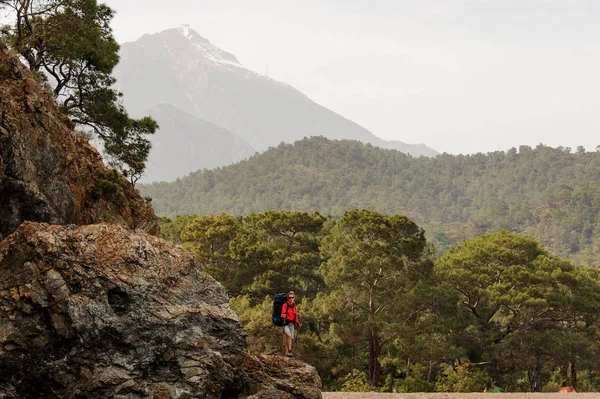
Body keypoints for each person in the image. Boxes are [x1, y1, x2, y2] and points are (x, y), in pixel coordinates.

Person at [281, 291, 301, 357]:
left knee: (289, 339)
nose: (291, 299)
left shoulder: (294, 307)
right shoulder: (285, 305)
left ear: (294, 298)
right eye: (289, 298)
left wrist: (298, 323)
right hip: (285, 324)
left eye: (292, 297)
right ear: (288, 298)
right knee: (289, 336)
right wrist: (283, 315)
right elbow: (282, 314)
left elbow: (296, 316)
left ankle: (286, 355)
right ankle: (290, 351)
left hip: (291, 325)